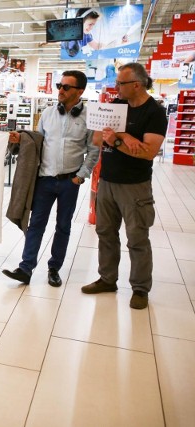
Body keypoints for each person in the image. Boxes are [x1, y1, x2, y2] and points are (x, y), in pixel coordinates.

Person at [82, 63, 167, 310]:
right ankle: (108, 279)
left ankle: (140, 288)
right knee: (105, 234)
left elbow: (148, 152)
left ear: (137, 85)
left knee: (137, 238)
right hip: (107, 181)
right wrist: (126, 138)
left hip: (135, 186)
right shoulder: (116, 106)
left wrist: (118, 138)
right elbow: (98, 138)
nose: (116, 86)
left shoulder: (154, 113)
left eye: (120, 83)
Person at [2, 71, 99, 287]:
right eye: (59, 85)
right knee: (36, 224)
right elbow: (37, 142)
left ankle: (54, 268)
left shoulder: (90, 117)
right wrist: (21, 139)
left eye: (66, 87)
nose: (60, 90)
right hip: (44, 179)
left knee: (63, 226)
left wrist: (80, 177)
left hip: (69, 181)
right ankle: (25, 268)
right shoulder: (47, 113)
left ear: (80, 91)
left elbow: (93, 150)